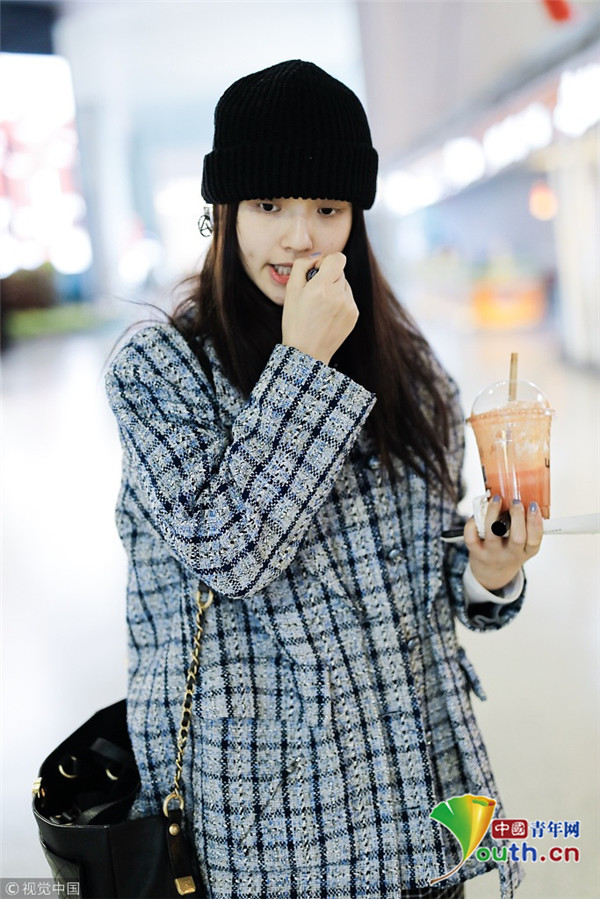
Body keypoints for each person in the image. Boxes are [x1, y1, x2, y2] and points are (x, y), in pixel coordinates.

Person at [105, 60, 543, 899]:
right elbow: (228, 553)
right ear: (224, 212)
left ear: (356, 220)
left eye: (327, 208)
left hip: (419, 806)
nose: (300, 237)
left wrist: (488, 572)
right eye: (269, 205)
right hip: (268, 828)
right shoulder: (159, 370)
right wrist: (303, 362)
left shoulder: (411, 373)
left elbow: (420, 565)